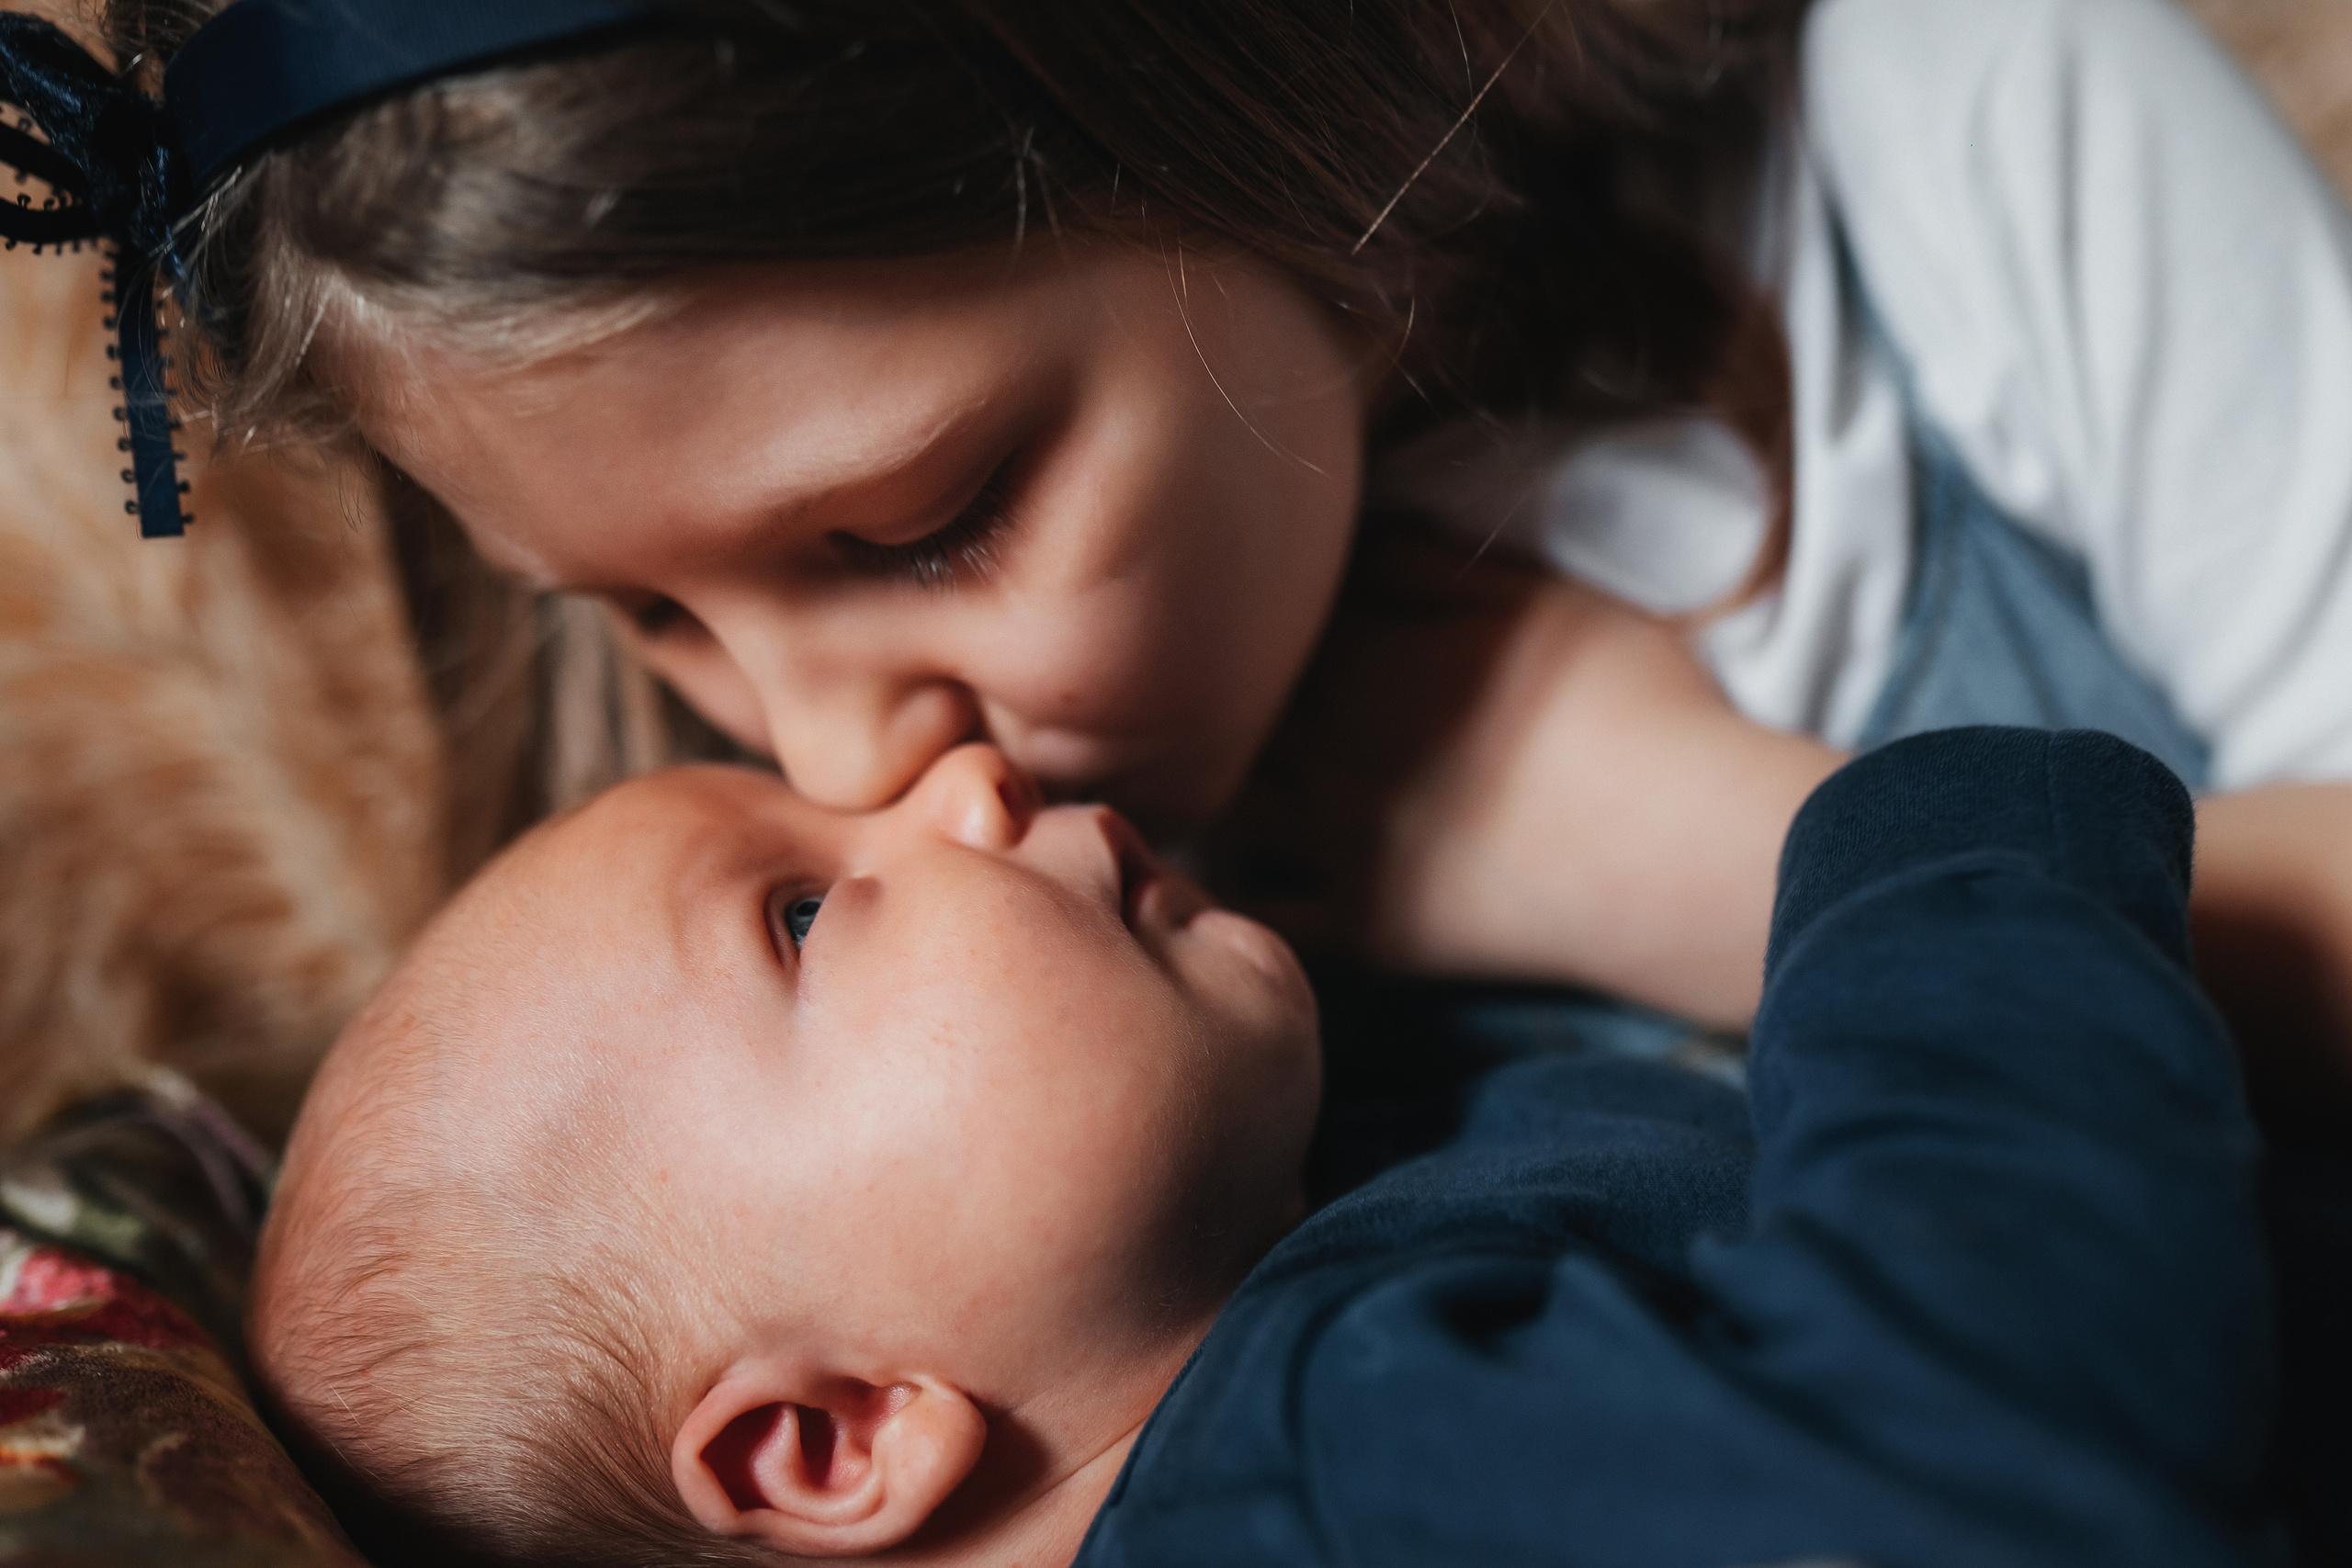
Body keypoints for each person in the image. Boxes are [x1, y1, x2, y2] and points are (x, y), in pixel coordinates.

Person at [9, 0, 2352, 1111]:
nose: (844, 748)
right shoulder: (799, 942)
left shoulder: (1962, 120)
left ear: (1272, 107)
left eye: (928, 522)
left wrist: (1734, 866)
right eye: (639, 610)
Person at [249, 727, 2277, 1568]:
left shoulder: (1300, 1312)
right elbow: (2021, 1418)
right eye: (799, 908)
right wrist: (1934, 846)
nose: (953, 773)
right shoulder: (1321, 1479)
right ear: (832, 1439)